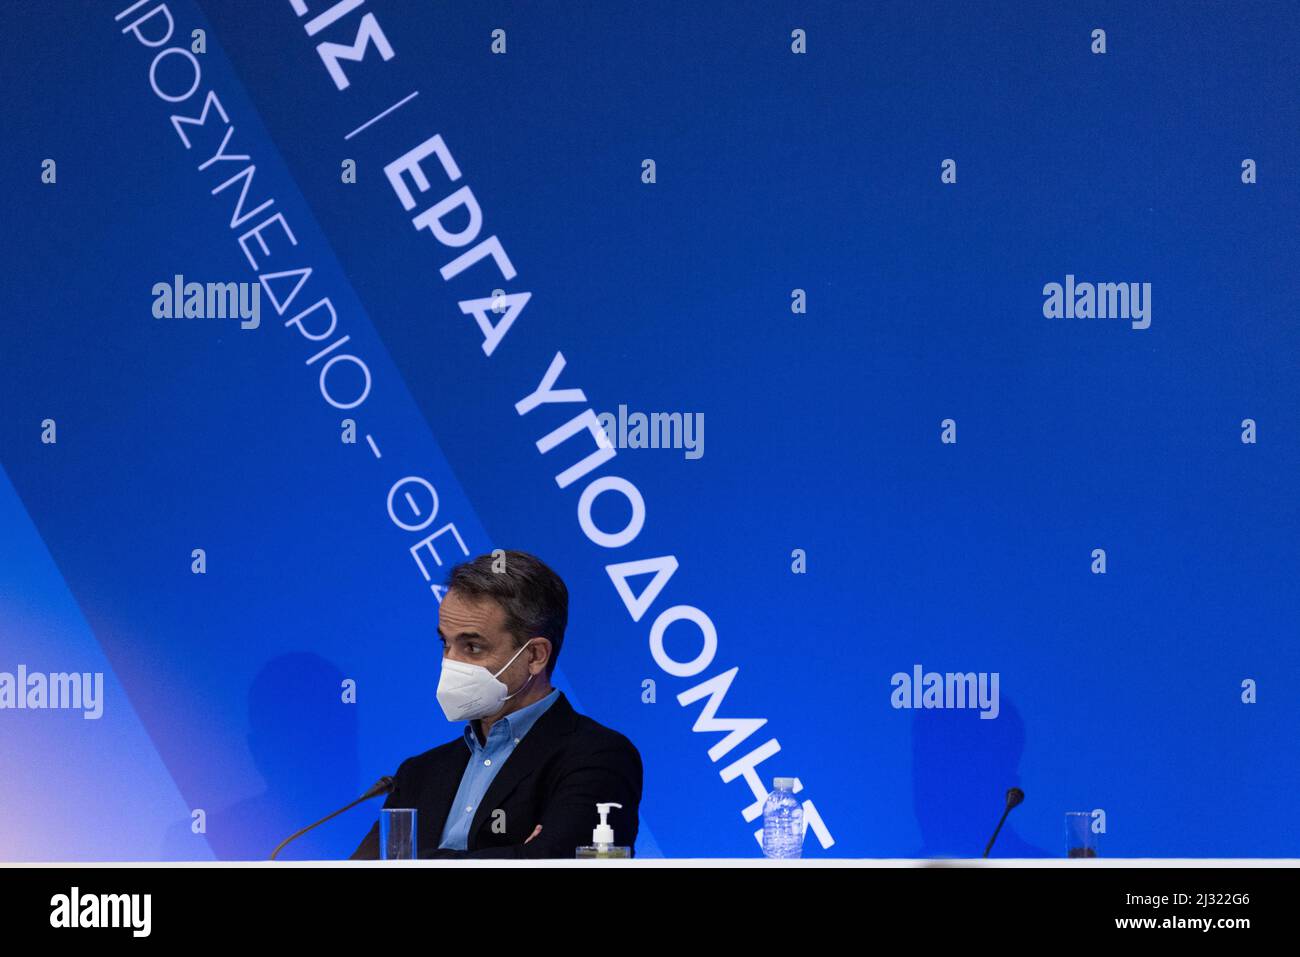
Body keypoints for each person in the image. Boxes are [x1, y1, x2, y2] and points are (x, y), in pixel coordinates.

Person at [351, 550, 642, 858]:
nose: (450, 662)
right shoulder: (417, 773)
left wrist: (412, 862)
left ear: (535, 656)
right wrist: (514, 855)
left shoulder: (598, 756)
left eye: (472, 647)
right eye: (445, 644)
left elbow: (557, 864)